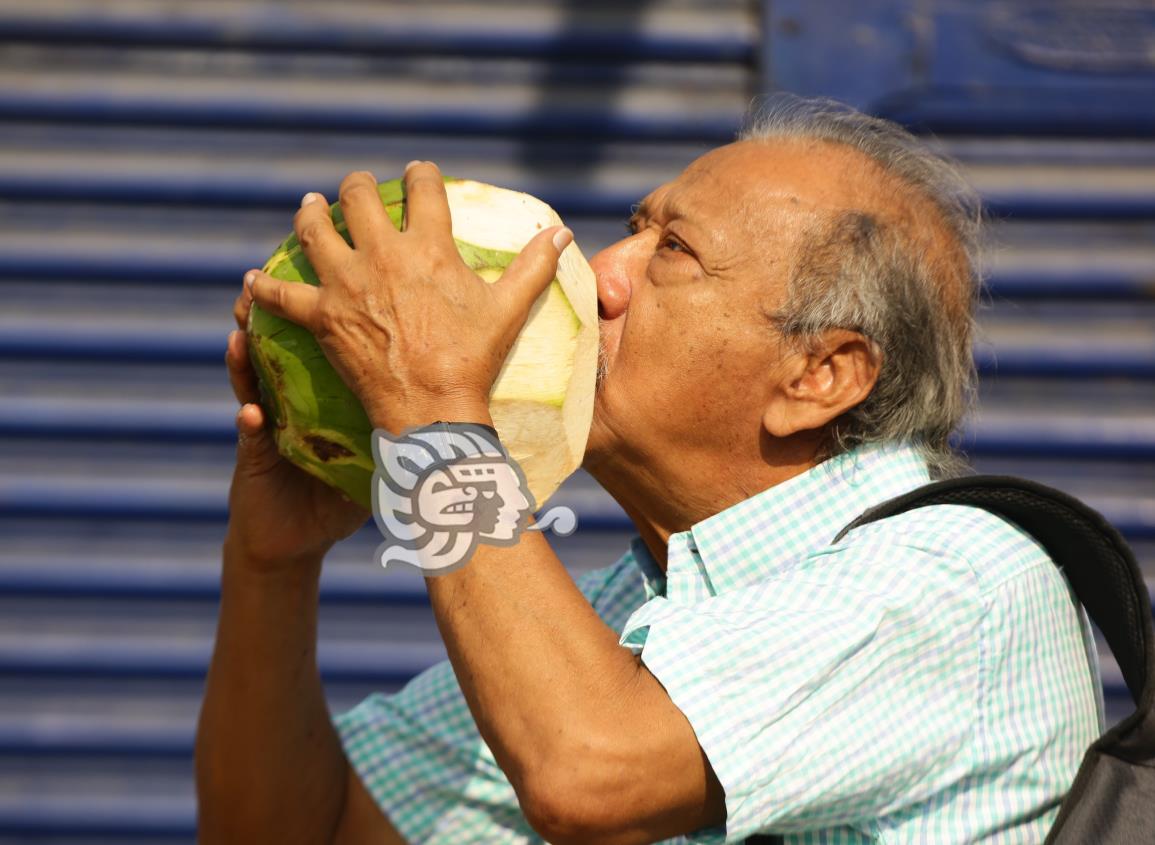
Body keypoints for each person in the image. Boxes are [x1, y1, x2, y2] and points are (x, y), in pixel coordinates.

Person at [195, 98, 1104, 844]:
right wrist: (271, 566)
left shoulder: (957, 579)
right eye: (635, 228)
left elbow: (587, 770)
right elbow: (297, 828)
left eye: (673, 250)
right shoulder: (630, 614)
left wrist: (435, 407)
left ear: (817, 376)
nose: (600, 275)